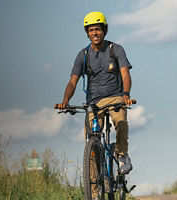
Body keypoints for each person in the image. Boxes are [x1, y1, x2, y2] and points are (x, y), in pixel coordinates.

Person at [56, 11, 133, 174]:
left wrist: (126, 94)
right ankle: (95, 193)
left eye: (97, 29)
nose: (94, 33)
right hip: (93, 103)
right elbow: (72, 81)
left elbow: (125, 74)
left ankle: (122, 155)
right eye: (91, 30)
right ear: (87, 33)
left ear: (104, 30)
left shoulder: (115, 49)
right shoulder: (83, 55)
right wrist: (65, 100)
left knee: (120, 122)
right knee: (91, 141)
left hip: (115, 98)